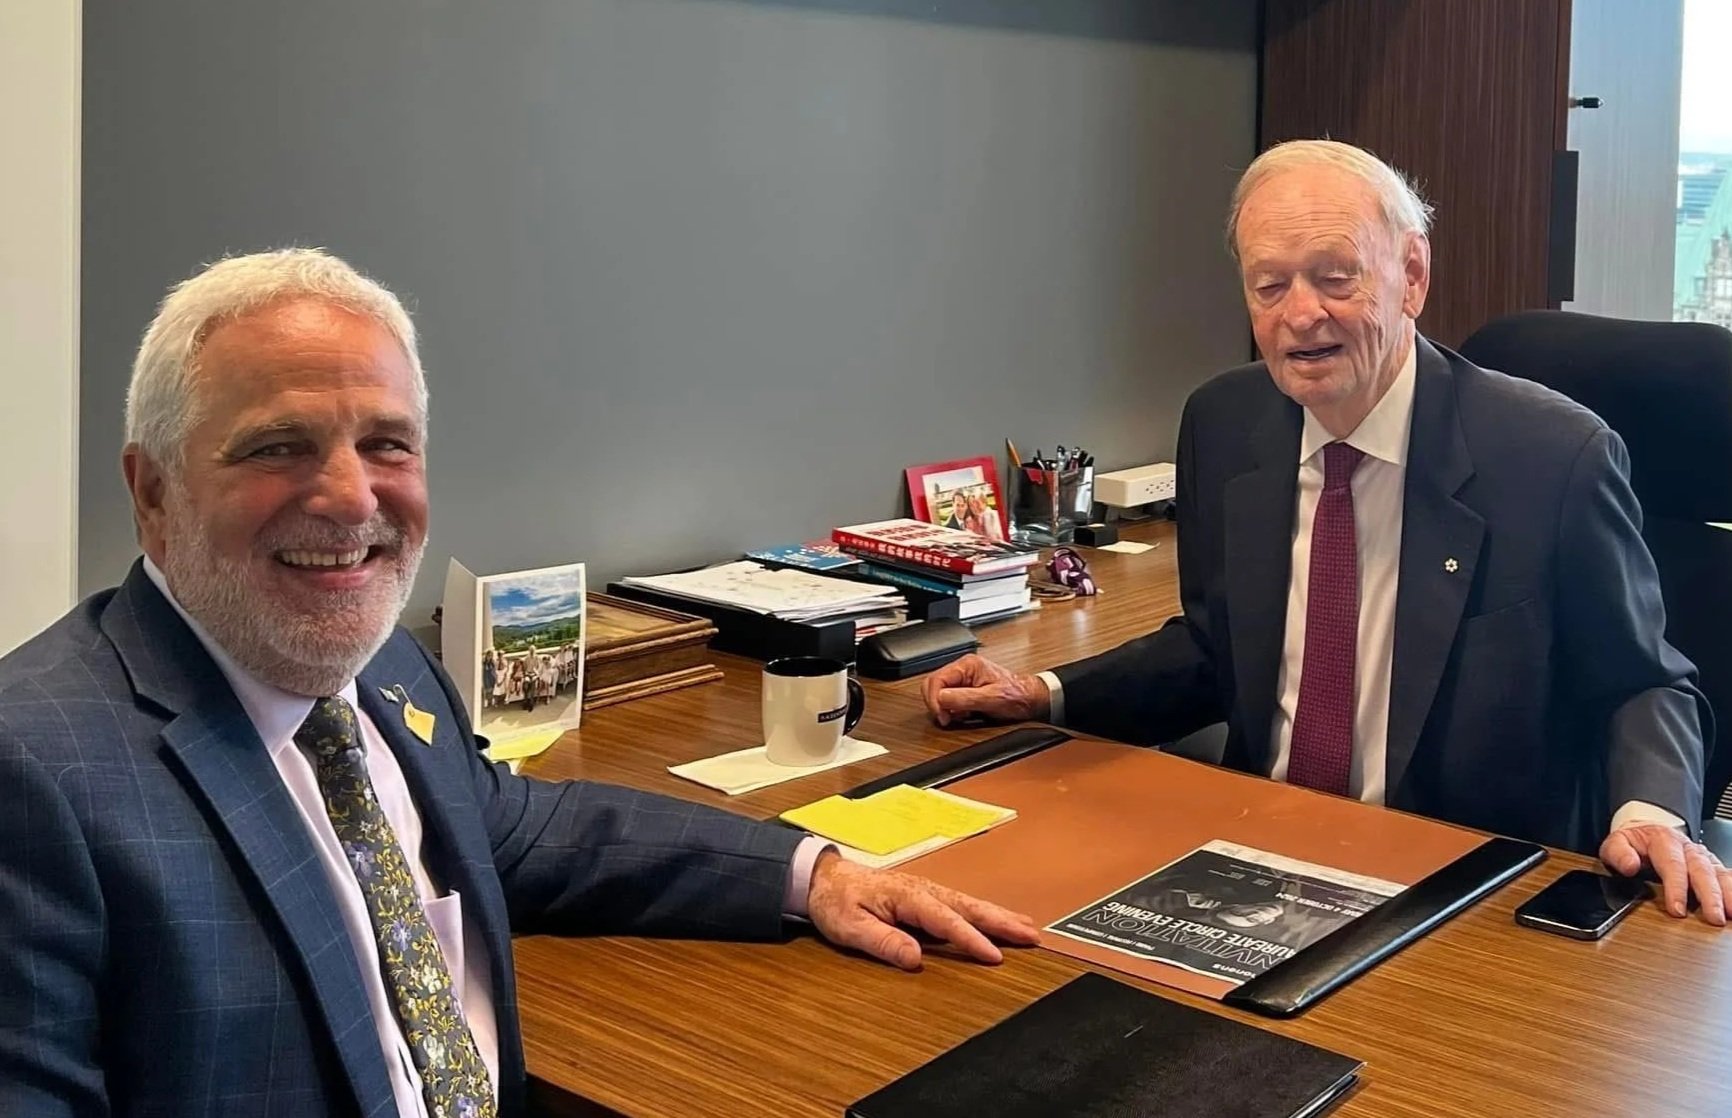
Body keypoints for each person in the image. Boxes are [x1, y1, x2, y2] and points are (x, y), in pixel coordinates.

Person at [0, 250, 1039, 1117]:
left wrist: (812, 873)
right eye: (278, 447)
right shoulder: (37, 773)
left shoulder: (385, 666)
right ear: (152, 493)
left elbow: (522, 828)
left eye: (387, 444)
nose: (352, 495)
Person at [925, 139, 1732, 925]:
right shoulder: (1225, 424)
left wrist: (1652, 812)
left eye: (1334, 278)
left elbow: (1644, 681)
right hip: (1248, 857)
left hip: (1460, 886)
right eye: (1268, 285)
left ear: (1411, 275)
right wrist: (1048, 693)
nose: (1300, 315)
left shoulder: (1554, 458)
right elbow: (1216, 649)